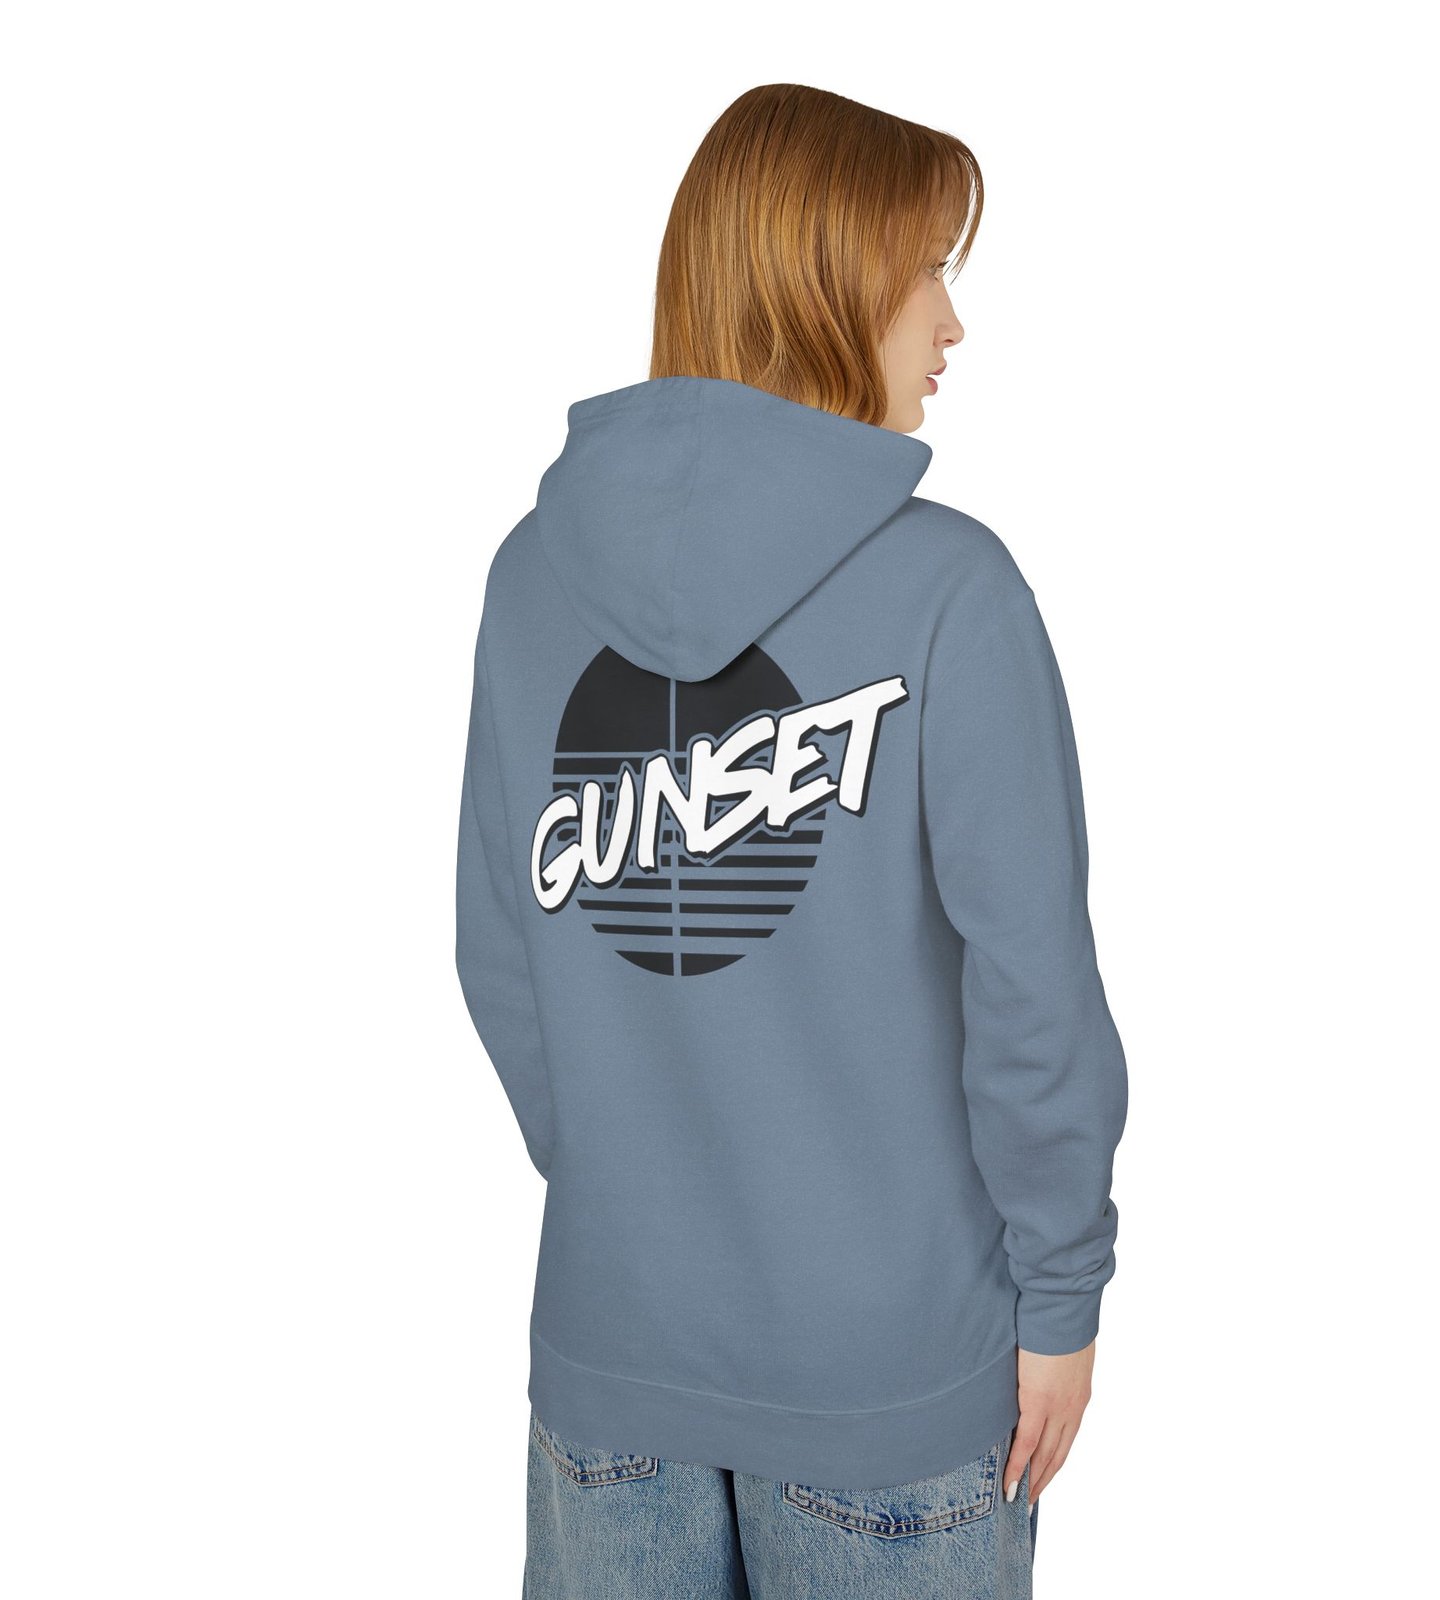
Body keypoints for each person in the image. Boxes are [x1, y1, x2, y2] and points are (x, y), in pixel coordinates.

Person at [455, 82, 1128, 1599]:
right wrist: (1063, 1293)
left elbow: (501, 954)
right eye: (924, 270)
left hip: (611, 1358)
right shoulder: (950, 591)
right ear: (826, 282)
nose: (952, 324)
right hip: (891, 1382)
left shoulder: (528, 577)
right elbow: (1031, 992)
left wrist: (646, 1187)